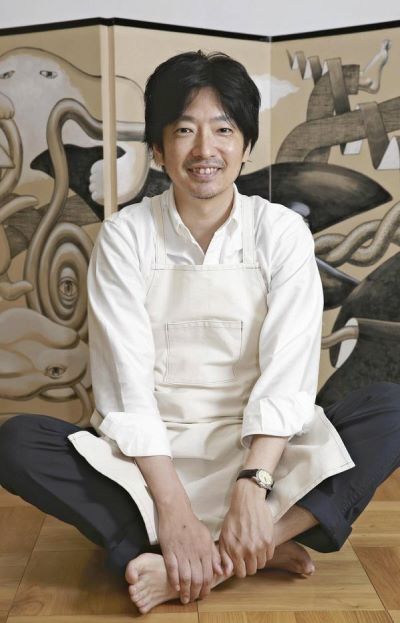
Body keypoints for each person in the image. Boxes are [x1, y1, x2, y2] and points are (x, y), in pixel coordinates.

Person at [1, 50, 400, 616]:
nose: (204, 149)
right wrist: (172, 508)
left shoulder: (280, 231)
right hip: (151, 460)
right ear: (158, 149)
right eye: (184, 130)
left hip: (260, 450)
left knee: (390, 410)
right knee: (17, 443)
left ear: (246, 145)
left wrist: (253, 484)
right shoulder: (126, 236)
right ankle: (249, 548)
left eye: (223, 129)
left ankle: (215, 555)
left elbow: (288, 375)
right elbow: (126, 390)